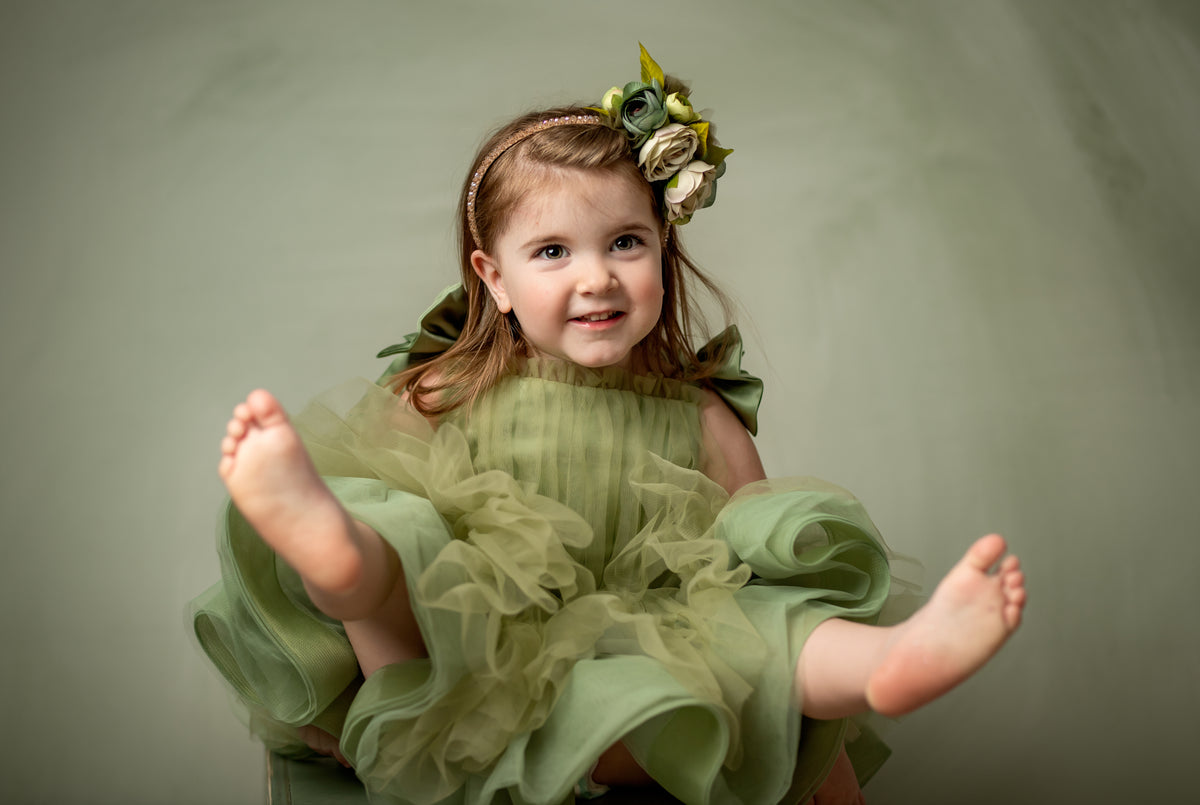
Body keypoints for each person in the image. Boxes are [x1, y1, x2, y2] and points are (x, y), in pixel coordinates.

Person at [193, 47, 1025, 805]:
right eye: (552, 252)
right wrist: (335, 706)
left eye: (624, 241)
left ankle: (883, 666)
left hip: (643, 694)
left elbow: (764, 564)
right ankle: (339, 555)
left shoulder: (700, 415)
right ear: (496, 277)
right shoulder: (449, 392)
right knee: (392, 529)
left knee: (770, 626)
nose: (597, 277)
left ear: (663, 245)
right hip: (468, 683)